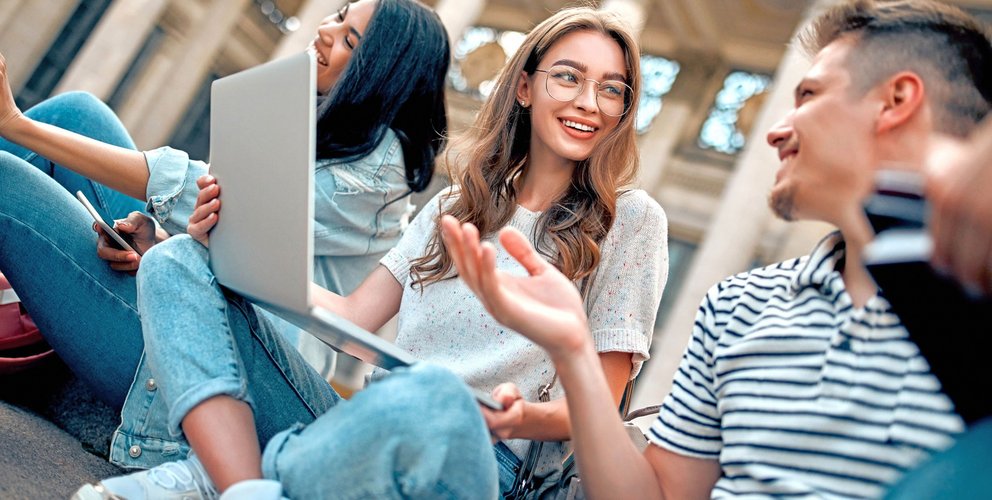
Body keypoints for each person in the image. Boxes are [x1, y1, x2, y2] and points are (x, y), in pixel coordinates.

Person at [77, 6, 668, 499]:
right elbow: (353, 320)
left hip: (480, 458)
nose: (591, 102)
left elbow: (598, 409)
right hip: (365, 421)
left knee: (436, 396)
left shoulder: (631, 221)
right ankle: (245, 486)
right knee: (176, 259)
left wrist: (510, 417)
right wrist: (225, 250)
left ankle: (226, 478)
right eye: (568, 77)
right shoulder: (455, 207)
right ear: (524, 86)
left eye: (612, 89)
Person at [440, 0, 992, 498]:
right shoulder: (737, 304)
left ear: (896, 100)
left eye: (809, 95)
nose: (775, 131)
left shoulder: (969, 318)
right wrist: (576, 354)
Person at [0, 0, 449, 407]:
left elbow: (219, 197)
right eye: (338, 14)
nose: (325, 31)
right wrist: (159, 242)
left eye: (350, 39)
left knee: (10, 177)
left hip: (217, 350)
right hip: (198, 301)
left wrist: (18, 125)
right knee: (81, 113)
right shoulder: (341, 131)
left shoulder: (371, 174)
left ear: (382, 74)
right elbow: (237, 246)